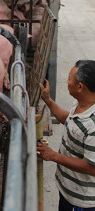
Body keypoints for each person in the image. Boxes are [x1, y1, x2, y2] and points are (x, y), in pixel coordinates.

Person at [37, 60, 95, 211]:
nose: (67, 81)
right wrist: (48, 100)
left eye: (69, 78)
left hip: (81, 201)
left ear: (80, 87)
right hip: (68, 190)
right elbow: (68, 121)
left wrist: (54, 156)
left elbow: (92, 168)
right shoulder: (81, 105)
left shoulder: (93, 124)